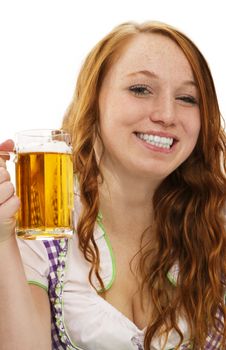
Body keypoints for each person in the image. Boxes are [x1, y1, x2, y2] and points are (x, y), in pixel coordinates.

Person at [0, 20, 226, 350]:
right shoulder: (42, 223)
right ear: (94, 101)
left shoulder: (213, 224)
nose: (166, 114)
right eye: (140, 89)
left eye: (187, 98)